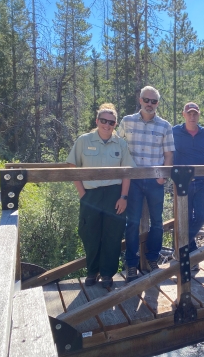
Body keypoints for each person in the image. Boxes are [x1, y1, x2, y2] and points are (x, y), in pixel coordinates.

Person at [67, 104, 136, 288]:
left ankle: (107, 274)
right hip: (91, 194)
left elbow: (127, 172)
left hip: (115, 194)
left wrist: (124, 197)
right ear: (97, 121)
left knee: (113, 236)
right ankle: (92, 271)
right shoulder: (84, 140)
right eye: (103, 121)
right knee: (89, 234)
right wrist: (82, 194)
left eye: (111, 122)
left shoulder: (120, 143)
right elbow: (73, 167)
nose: (107, 125)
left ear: (115, 124)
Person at [118, 86, 175, 282]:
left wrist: (163, 177)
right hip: (132, 181)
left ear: (158, 103)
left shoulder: (165, 126)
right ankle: (132, 264)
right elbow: (118, 148)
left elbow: (169, 154)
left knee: (157, 222)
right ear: (140, 100)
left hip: (155, 180)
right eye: (146, 100)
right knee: (132, 222)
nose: (150, 104)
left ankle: (152, 259)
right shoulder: (127, 121)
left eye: (154, 101)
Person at [172, 102, 204, 270]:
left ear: (199, 115)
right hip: (182, 183)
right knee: (183, 219)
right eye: (189, 113)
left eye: (195, 113)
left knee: (201, 216)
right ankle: (188, 256)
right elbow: (169, 153)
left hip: (200, 182)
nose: (192, 116)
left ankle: (181, 248)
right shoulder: (174, 132)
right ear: (184, 114)